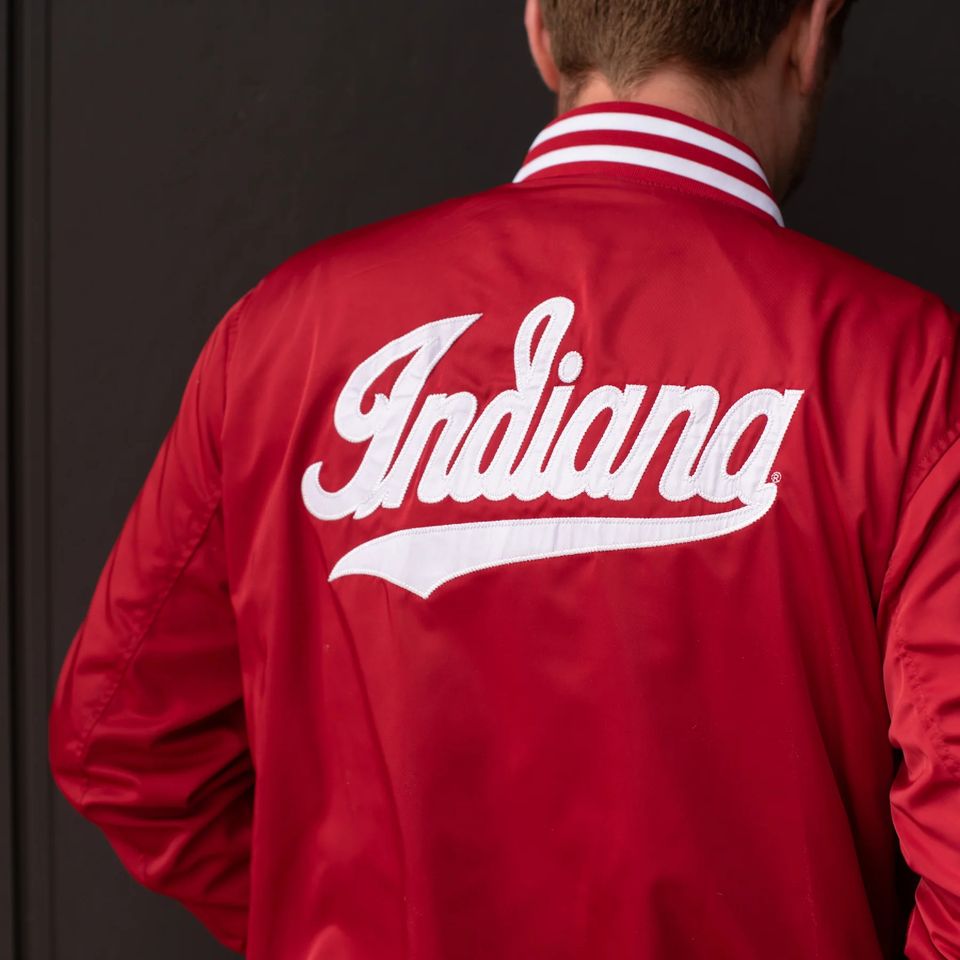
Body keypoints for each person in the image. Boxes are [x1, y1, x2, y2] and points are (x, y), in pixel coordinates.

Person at [46, 0, 960, 957]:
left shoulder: (282, 337)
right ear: (810, 33)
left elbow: (118, 741)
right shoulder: (906, 369)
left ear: (540, 30)